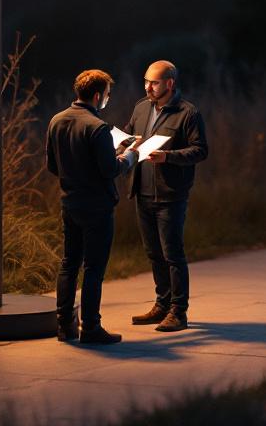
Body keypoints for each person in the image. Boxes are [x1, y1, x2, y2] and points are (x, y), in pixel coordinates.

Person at [46, 68, 139, 344]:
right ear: (98, 96)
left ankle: (64, 326)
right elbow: (110, 170)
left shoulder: (56, 120)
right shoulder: (98, 127)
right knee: (94, 268)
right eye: (107, 95)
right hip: (97, 207)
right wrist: (130, 156)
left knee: (69, 263)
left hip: (69, 202)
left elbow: (53, 165)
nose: (107, 100)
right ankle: (91, 327)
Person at [124, 60, 208, 332]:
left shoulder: (188, 113)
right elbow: (130, 136)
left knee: (172, 254)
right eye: (146, 81)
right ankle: (162, 304)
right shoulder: (141, 107)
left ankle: (178, 312)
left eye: (154, 82)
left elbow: (200, 150)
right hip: (143, 192)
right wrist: (123, 143)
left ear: (169, 83)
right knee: (153, 253)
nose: (148, 87)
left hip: (170, 195)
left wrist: (168, 157)